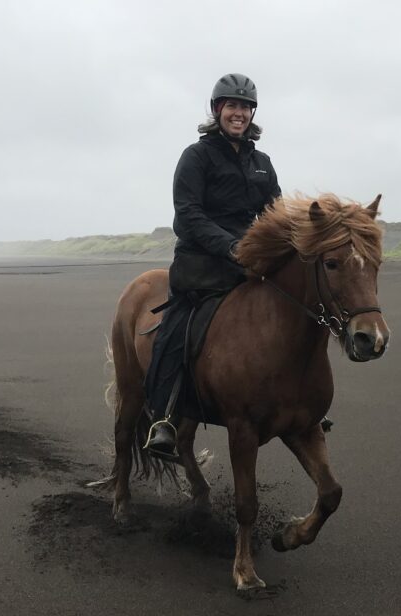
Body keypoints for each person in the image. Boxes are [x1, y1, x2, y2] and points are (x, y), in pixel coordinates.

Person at [143, 73, 281, 460]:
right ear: (217, 110)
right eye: (231, 106)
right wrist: (231, 246)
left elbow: (275, 212)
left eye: (245, 107)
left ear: (252, 113)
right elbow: (187, 215)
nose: (238, 113)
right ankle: (165, 417)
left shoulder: (262, 163)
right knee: (178, 328)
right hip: (200, 263)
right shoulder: (196, 156)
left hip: (247, 262)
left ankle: (294, 404)